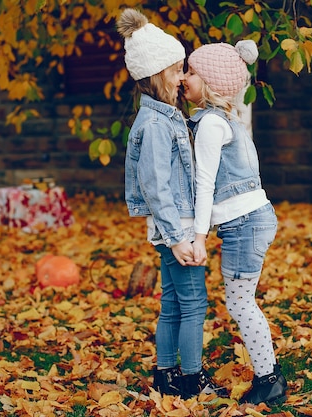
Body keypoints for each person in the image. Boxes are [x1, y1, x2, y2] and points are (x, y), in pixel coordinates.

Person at [116, 8, 226, 399]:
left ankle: (166, 374)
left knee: (172, 303)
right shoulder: (158, 124)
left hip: (170, 228)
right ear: (160, 73)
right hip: (175, 227)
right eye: (178, 68)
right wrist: (180, 238)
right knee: (194, 303)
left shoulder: (162, 117)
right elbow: (157, 186)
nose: (182, 77)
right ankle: (192, 379)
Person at [182, 40, 288, 405]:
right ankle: (268, 374)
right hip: (250, 221)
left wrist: (199, 236)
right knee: (241, 300)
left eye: (192, 72)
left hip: (245, 225)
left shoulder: (212, 124)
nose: (185, 78)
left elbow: (205, 182)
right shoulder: (229, 118)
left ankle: (269, 379)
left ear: (210, 82)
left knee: (241, 303)